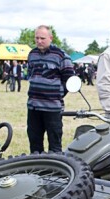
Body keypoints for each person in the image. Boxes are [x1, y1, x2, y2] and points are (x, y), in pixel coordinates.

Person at [26, 25, 75, 153]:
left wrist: (56, 94)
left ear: (51, 38)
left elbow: (70, 81)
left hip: (52, 108)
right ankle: (36, 170)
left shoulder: (62, 56)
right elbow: (30, 74)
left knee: (55, 146)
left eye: (42, 38)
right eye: (37, 38)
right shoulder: (32, 54)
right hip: (33, 107)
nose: (39, 41)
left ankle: (55, 171)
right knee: (34, 144)